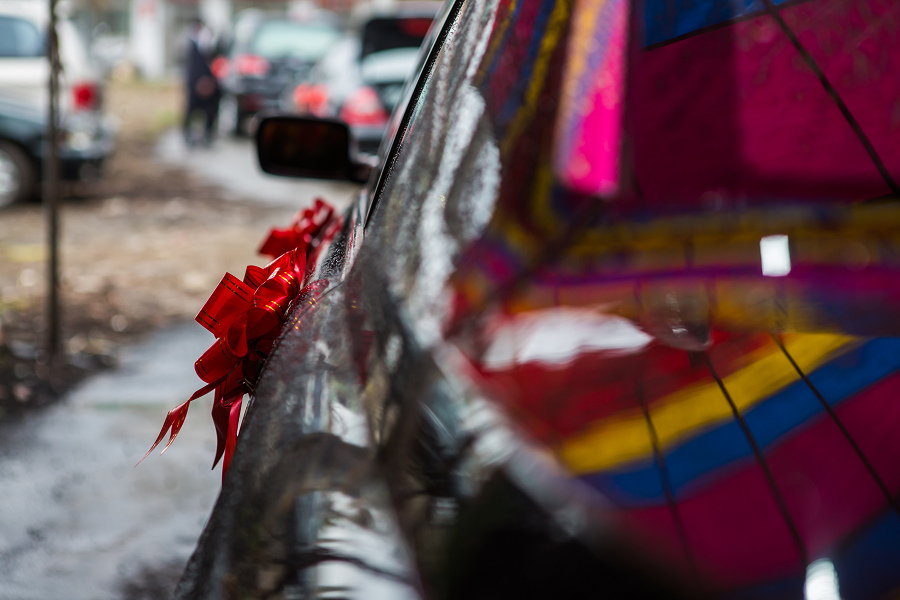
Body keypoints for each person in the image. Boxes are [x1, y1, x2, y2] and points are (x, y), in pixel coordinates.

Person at [183, 19, 219, 147]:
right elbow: (194, 66)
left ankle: (207, 135)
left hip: (204, 81)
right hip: (196, 82)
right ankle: (188, 135)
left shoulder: (204, 44)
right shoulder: (192, 45)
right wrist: (201, 80)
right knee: (192, 109)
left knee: (209, 110)